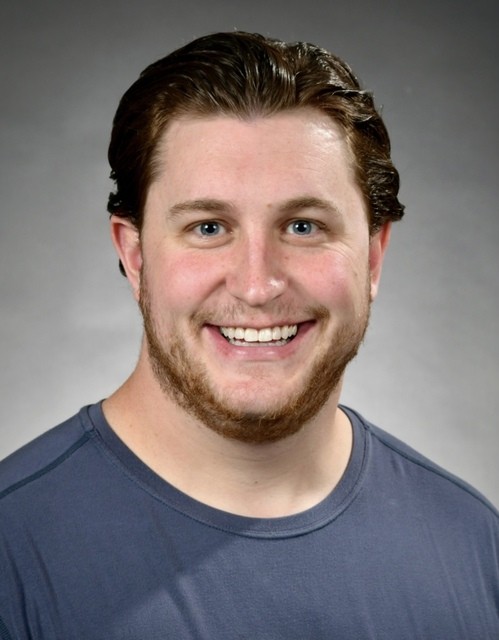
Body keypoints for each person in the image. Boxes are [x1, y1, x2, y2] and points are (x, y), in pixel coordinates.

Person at [0, 31, 497, 639]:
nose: (258, 285)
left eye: (303, 226)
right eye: (208, 227)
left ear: (372, 258)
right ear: (135, 256)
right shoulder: (12, 549)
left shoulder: (475, 547)